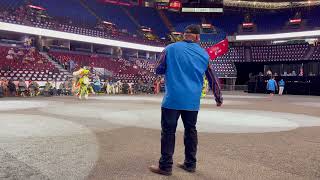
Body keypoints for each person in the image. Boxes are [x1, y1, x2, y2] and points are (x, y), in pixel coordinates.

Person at [149, 24, 223, 176]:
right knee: (191, 131)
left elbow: (158, 69)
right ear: (197, 37)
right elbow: (213, 78)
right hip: (192, 102)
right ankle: (190, 164)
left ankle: (165, 166)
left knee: (168, 132)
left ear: (184, 35)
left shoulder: (170, 48)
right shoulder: (204, 55)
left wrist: (172, 68)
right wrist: (218, 97)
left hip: (172, 100)